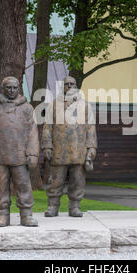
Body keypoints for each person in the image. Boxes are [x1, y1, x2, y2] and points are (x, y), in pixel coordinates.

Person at [0, 77, 39, 227]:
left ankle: (26, 214)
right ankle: (2, 215)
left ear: (19, 88)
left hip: (20, 155)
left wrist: (32, 153)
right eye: (8, 88)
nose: (12, 91)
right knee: (0, 186)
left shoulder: (27, 109)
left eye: (15, 87)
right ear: (3, 88)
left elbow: (33, 132)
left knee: (23, 185)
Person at [42, 76, 97, 217]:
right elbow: (47, 127)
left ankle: (75, 206)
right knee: (56, 181)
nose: (70, 86)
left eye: (73, 84)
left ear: (76, 86)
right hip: (59, 150)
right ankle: (53, 206)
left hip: (79, 151)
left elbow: (91, 128)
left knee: (78, 181)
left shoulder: (85, 106)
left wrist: (91, 149)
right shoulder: (53, 105)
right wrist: (47, 146)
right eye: (67, 84)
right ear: (63, 87)